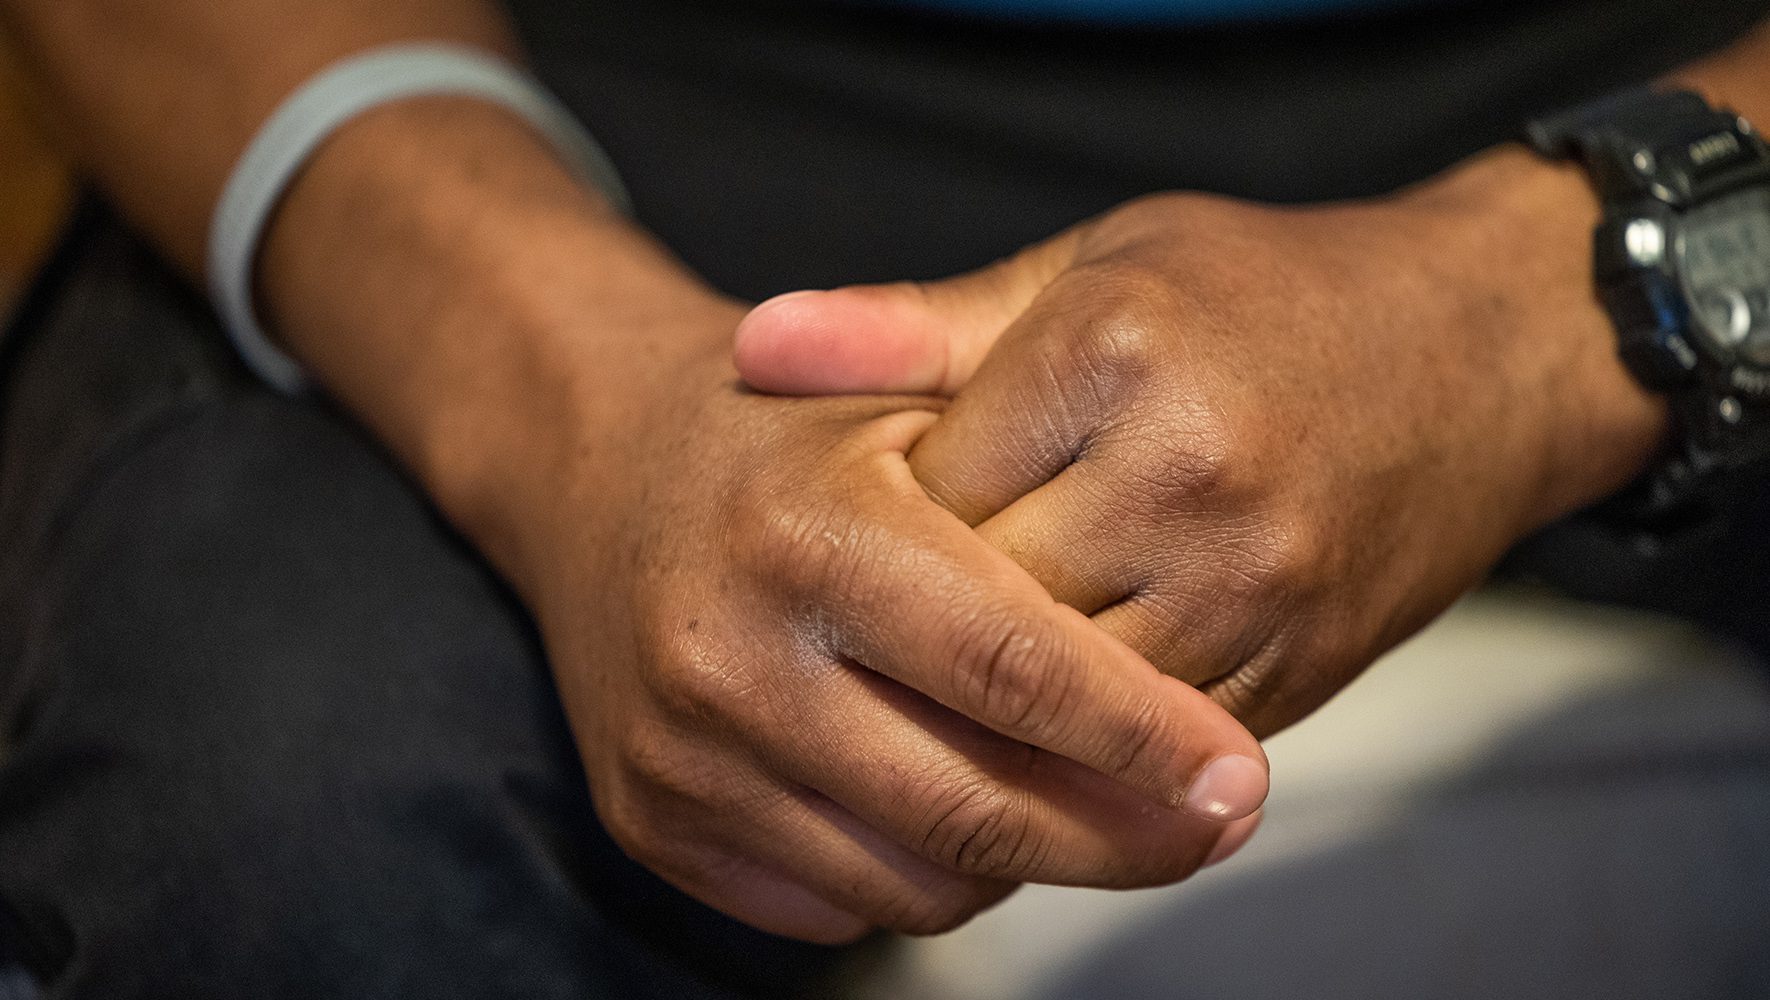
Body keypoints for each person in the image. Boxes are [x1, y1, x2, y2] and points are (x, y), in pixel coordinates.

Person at [0, 0, 1764, 996]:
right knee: (286, 804)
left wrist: (1547, 307)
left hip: (1659, 82)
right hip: (565, 108)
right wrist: (572, 399)